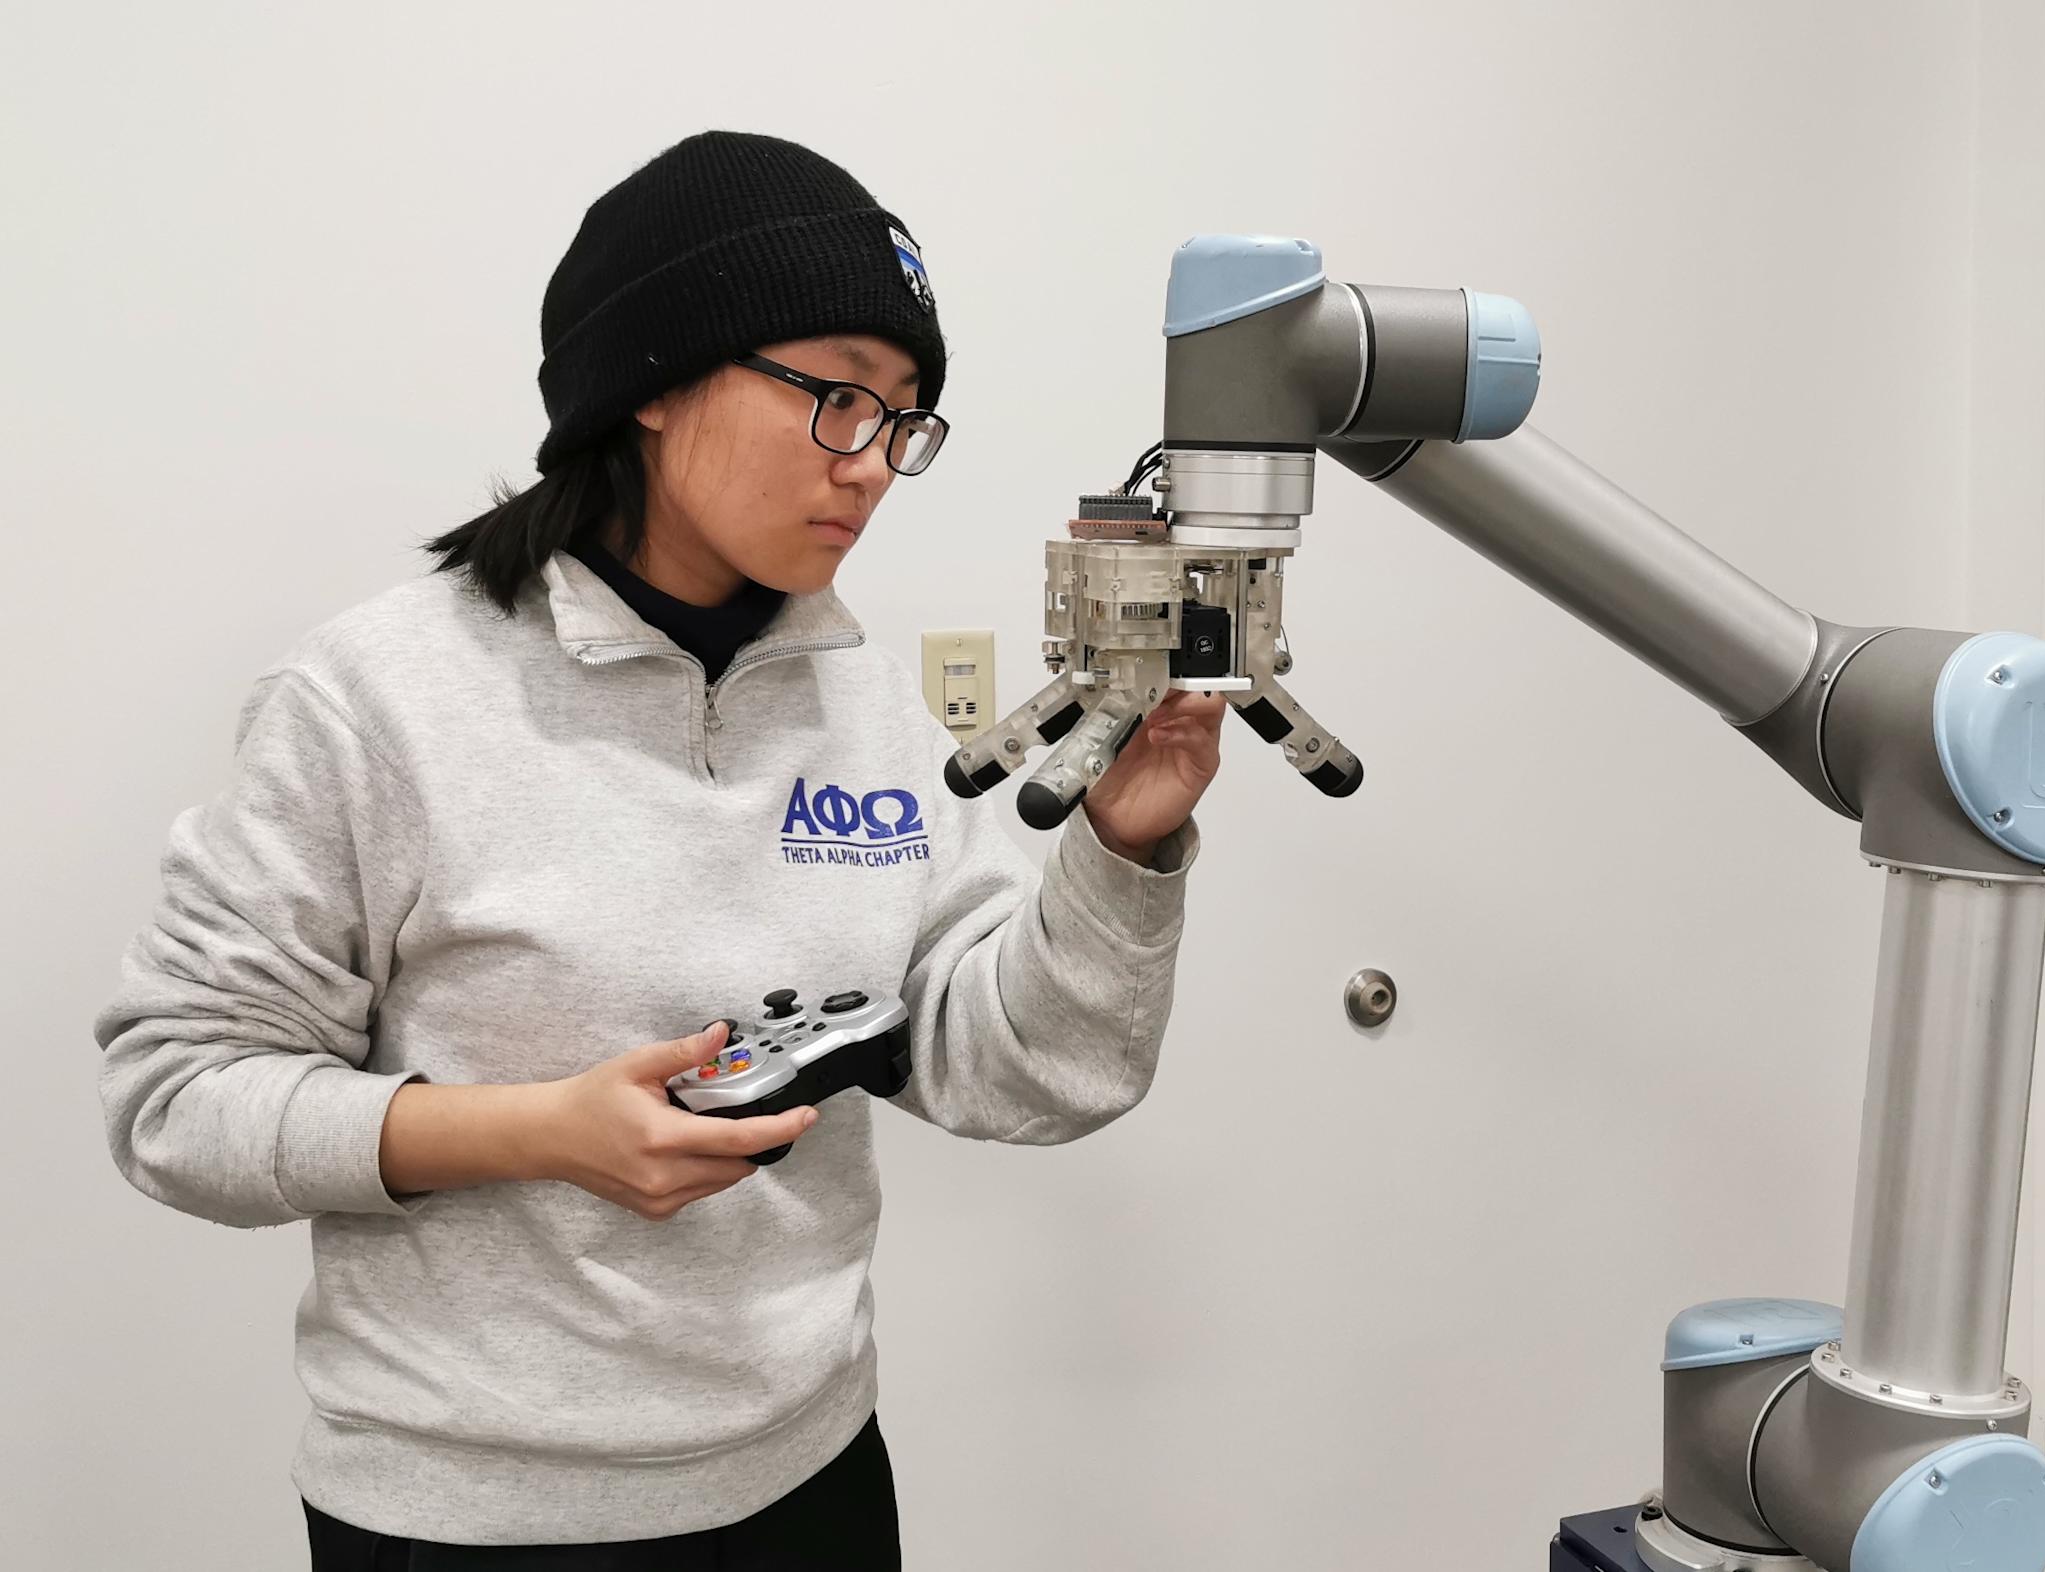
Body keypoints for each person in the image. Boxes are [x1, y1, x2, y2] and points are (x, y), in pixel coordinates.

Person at [93, 129, 1225, 1570]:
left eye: (904, 422)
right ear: (653, 378)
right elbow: (177, 1099)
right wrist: (536, 1133)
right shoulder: (376, 699)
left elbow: (1021, 1071)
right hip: (469, 1521)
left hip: (811, 1479)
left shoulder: (867, 706)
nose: (873, 467)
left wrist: (1122, 846)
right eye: (838, 400)